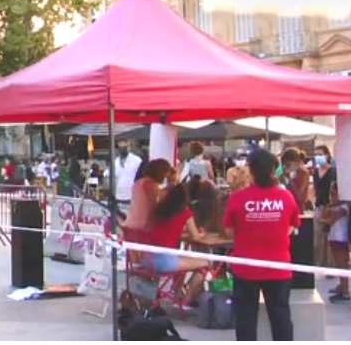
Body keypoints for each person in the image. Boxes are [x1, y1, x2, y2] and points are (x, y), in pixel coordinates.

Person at [223, 148, 299, 342]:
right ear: (274, 170)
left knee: (246, 316)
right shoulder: (286, 197)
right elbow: (292, 227)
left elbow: (229, 231)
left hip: (246, 266)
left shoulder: (237, 198)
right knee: (280, 316)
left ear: (251, 170)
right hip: (278, 266)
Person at [143, 182, 211, 305]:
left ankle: (178, 294)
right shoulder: (185, 212)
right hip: (166, 261)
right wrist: (203, 234)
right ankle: (187, 299)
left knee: (182, 261)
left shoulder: (156, 210)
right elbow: (195, 236)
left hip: (148, 259)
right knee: (205, 264)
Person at [320, 182, 351, 302]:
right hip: (333, 237)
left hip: (340, 237)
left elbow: (330, 220)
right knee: (338, 265)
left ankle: (345, 291)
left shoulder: (344, 207)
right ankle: (342, 286)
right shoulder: (332, 206)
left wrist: (322, 219)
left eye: (334, 193)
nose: (332, 196)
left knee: (342, 264)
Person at [124, 159, 175, 230]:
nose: (166, 176)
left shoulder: (139, 183)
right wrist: (172, 183)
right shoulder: (149, 184)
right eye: (166, 173)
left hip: (132, 223)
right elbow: (157, 203)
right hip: (142, 226)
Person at [312, 145, 336, 267]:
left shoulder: (332, 171)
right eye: (316, 154)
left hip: (329, 206)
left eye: (320, 154)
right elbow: (316, 189)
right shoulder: (315, 171)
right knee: (318, 238)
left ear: (327, 155)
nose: (318, 157)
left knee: (330, 238)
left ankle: (330, 264)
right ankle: (320, 263)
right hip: (318, 205)